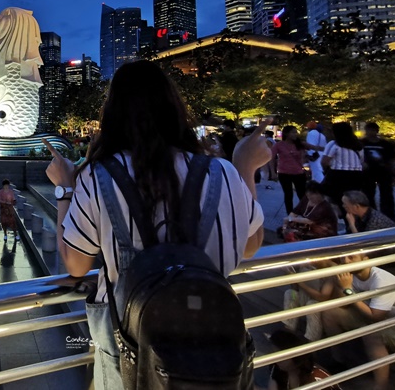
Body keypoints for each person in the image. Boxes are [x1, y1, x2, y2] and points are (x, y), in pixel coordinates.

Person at [40, 60, 269, 389]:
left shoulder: (98, 176)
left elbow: (76, 265)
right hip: (213, 346)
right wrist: (244, 166)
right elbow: (250, 243)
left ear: (112, 114)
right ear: (174, 108)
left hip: (127, 345)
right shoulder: (222, 172)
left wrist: (65, 187)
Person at [323, 253, 395, 390]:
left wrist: (348, 290)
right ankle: (338, 361)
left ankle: (381, 384)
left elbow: (376, 316)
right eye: (343, 258)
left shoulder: (381, 280)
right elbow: (345, 304)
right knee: (330, 312)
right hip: (370, 315)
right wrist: (341, 285)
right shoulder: (351, 276)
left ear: (366, 259)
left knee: (371, 333)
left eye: (351, 257)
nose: (345, 261)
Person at [261, 328, 339, 390]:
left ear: (295, 355)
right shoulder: (278, 368)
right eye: (274, 353)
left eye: (281, 355)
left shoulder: (316, 379)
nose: (276, 359)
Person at [321, 122, 364, 216]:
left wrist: (326, 170)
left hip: (338, 175)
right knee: (351, 200)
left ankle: (340, 214)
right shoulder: (358, 145)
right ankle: (351, 220)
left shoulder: (334, 144)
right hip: (356, 176)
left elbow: (324, 161)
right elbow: (361, 160)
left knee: (331, 196)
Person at [361, 122, 395, 221]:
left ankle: (389, 215)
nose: (370, 132)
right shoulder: (362, 143)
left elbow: (392, 158)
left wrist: (393, 171)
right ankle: (371, 215)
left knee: (386, 194)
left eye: (372, 130)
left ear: (377, 131)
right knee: (368, 194)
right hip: (368, 172)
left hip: (384, 171)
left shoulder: (385, 144)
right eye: (368, 130)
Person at [271, 126, 311, 215]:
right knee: (288, 195)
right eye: (293, 132)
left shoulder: (299, 144)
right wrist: (273, 172)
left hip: (298, 172)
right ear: (286, 133)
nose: (295, 134)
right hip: (284, 173)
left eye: (296, 132)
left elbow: (309, 152)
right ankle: (290, 214)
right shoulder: (279, 145)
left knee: (302, 194)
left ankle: (304, 212)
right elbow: (271, 158)